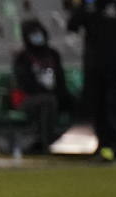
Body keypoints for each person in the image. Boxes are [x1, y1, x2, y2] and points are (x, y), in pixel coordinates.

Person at [68, 0, 116, 162]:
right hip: (94, 67)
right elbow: (72, 26)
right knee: (98, 108)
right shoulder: (89, 6)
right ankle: (105, 149)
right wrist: (80, 7)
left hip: (115, 67)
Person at [13, 20, 74, 154]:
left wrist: (62, 94)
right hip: (29, 99)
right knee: (48, 102)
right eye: (33, 34)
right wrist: (44, 92)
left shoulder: (53, 54)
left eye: (38, 33)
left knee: (77, 101)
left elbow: (60, 80)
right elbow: (24, 83)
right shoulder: (22, 57)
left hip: (52, 96)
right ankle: (48, 143)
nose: (37, 37)